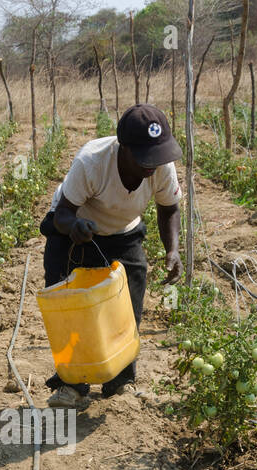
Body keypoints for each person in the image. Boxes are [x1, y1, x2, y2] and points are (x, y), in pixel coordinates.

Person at [41, 103, 184, 409]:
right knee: (71, 309)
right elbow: (63, 214)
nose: (152, 166)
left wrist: (172, 250)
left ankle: (120, 381)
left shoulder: (160, 166)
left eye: (157, 157)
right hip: (76, 230)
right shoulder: (92, 162)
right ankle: (71, 385)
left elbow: (168, 208)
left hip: (123, 231)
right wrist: (75, 227)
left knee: (127, 306)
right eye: (145, 157)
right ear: (125, 149)